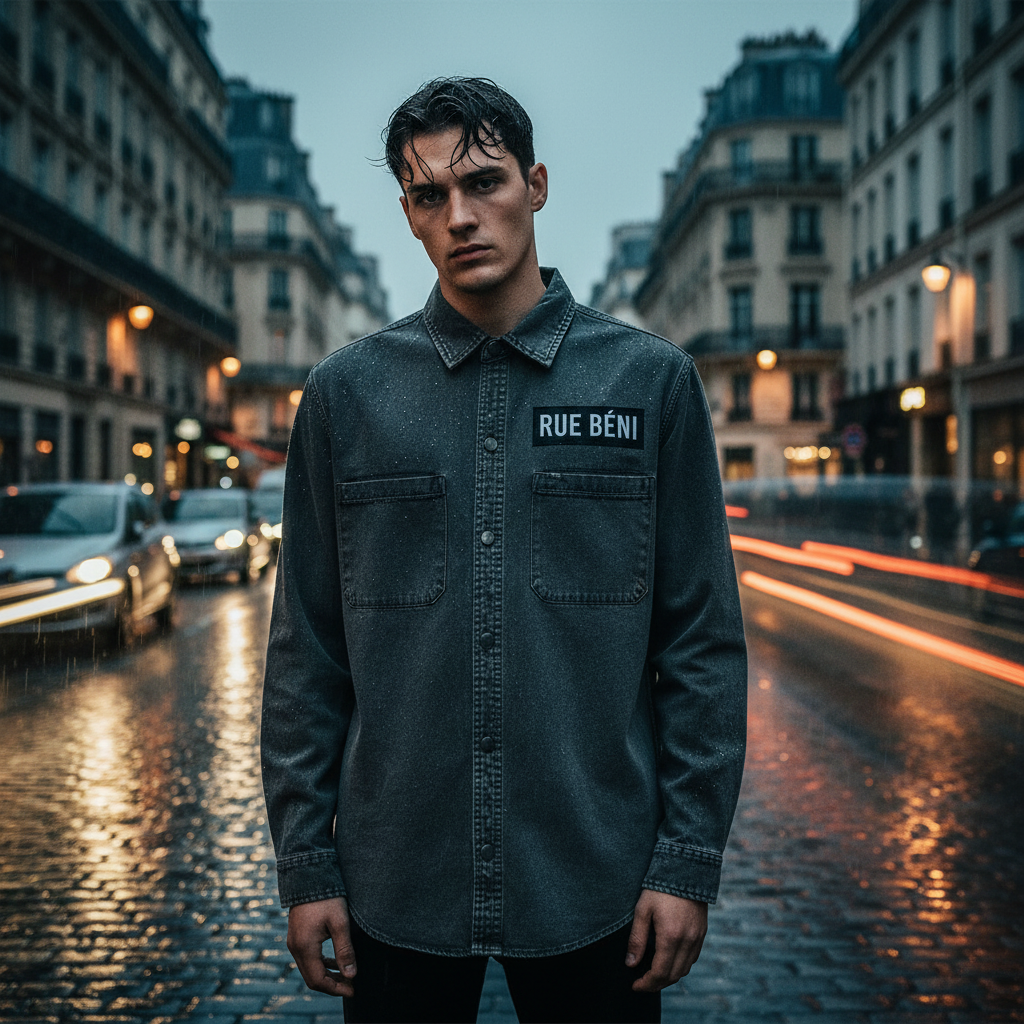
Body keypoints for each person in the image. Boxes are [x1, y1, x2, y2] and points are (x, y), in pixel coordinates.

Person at [261, 77, 747, 1024]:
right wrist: (305, 865)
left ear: (537, 184)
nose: (461, 215)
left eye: (484, 182)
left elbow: (700, 643)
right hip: (394, 887)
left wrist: (687, 861)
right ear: (407, 214)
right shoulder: (343, 398)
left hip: (597, 882)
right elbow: (305, 654)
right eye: (429, 195)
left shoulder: (651, 384)